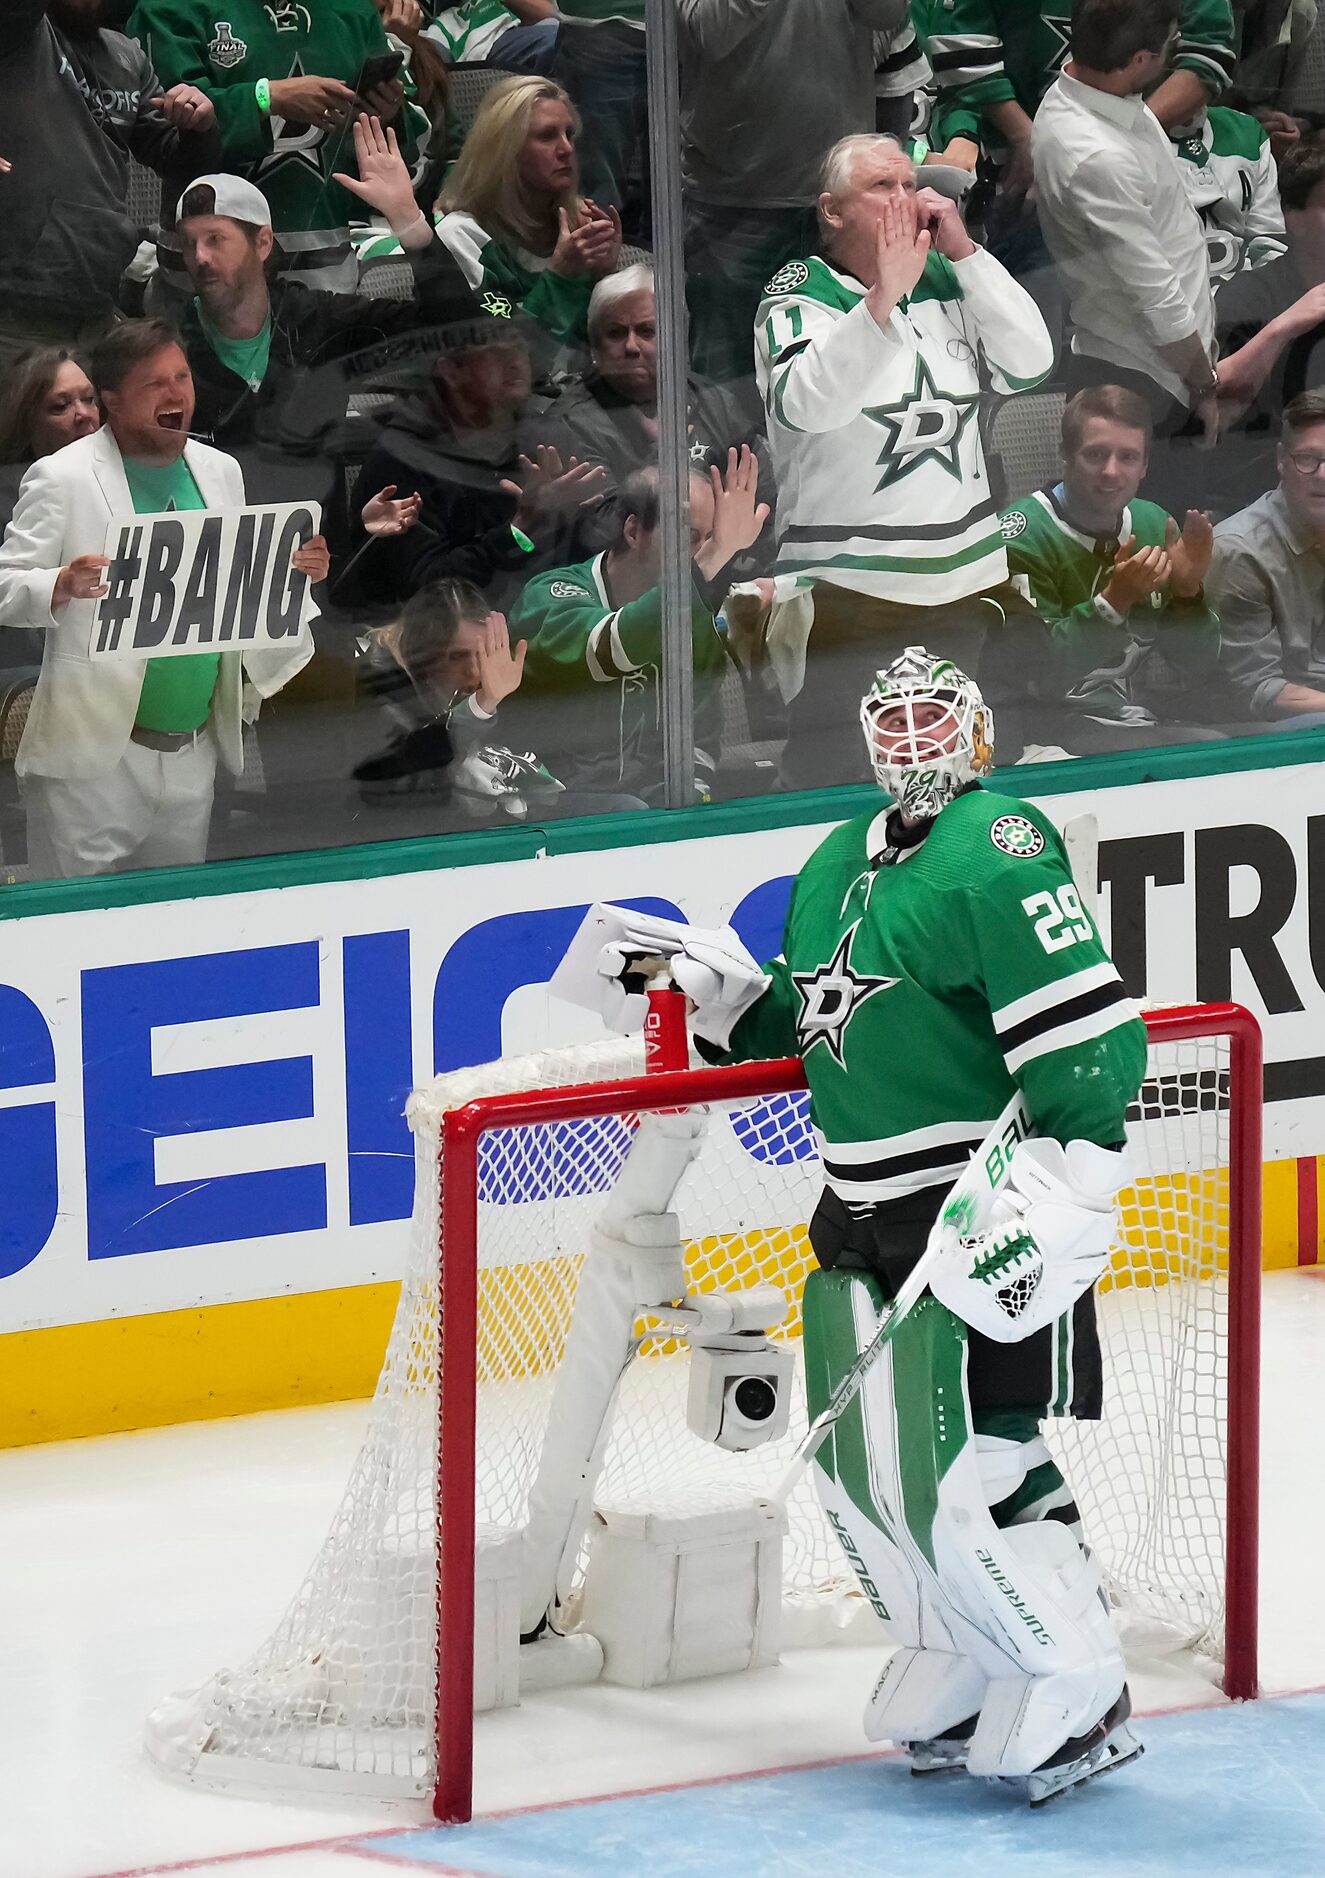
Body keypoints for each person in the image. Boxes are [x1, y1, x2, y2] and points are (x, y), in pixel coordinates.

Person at [579, 644, 1147, 1803]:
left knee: (977, 1449)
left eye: (935, 715)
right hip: (858, 1204)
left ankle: (1076, 1675)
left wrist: (1071, 1171)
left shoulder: (998, 848)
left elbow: (1083, 1029)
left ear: (977, 729)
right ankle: (962, 1650)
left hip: (977, 1201)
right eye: (889, 720)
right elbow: (817, 1020)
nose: (910, 739)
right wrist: (726, 998)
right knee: (858, 1465)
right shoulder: (838, 856)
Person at [753, 132, 1053, 788]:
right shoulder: (799, 291)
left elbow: (1030, 364)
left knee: (952, 776)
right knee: (839, 777)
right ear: (832, 211)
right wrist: (880, 301)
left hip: (959, 585)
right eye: (881, 187)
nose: (906, 198)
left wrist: (967, 254)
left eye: (909, 184)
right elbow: (807, 404)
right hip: (848, 591)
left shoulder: (951, 277)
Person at [0, 319, 325, 877]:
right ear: (113, 404)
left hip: (192, 749)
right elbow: (5, 585)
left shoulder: (221, 471)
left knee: (172, 926)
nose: (177, 393)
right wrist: (59, 583)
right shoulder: (60, 477)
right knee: (75, 933)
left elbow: (233, 587)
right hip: (96, 758)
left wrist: (294, 573)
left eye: (182, 377)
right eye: (155, 384)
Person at [173, 118, 478, 509]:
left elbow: (458, 330)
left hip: (319, 556)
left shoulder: (318, 321)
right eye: (189, 243)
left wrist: (408, 220)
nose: (199, 257)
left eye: (216, 240)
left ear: (263, 242)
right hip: (221, 558)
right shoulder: (169, 347)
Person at [507, 452, 767, 806]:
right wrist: (717, 553)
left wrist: (689, 796)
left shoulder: (693, 616)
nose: (702, 550)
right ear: (632, 531)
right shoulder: (550, 595)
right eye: (689, 533)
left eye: (711, 537)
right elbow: (612, 648)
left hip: (645, 806)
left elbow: (699, 734)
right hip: (541, 805)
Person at [676, 0, 910, 389]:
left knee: (849, 377)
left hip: (841, 201)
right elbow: (709, 32)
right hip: (734, 205)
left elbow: (885, 13)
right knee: (726, 395)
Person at [1032, 0, 1219, 471]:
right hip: (1143, 381)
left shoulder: (1093, 98)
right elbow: (1157, 301)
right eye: (1170, 46)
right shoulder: (1096, 156)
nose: (1174, 55)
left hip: (1165, 367)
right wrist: (1203, 386)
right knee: (1144, 539)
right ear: (1140, 60)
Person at [127, 0, 417, 294]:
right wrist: (266, 98)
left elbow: (409, 153)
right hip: (203, 277)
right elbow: (168, 131)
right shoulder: (168, 8)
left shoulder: (354, 11)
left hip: (327, 269)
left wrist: (387, 114)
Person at [332, 305, 605, 612]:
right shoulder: (402, 458)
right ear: (451, 370)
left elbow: (599, 549)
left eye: (518, 346)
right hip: (441, 640)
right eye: (494, 350)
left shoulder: (547, 434)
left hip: (554, 616)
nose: (514, 360)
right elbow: (428, 593)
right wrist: (522, 529)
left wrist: (584, 521)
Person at [1001, 385, 1224, 752]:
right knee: (1210, 749)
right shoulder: (1021, 539)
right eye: (1096, 455)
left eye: (1128, 457)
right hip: (1049, 733)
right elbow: (1037, 678)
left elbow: (1199, 667)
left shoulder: (1153, 523)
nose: (1111, 471)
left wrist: (1188, 595)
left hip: (1141, 719)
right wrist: (1112, 604)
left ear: (1145, 466)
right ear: (1065, 455)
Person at [0, 0, 219, 371]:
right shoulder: (16, 31)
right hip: (13, 316)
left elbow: (177, 161)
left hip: (96, 310)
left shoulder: (126, 55)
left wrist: (200, 127)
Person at [539, 264, 770, 559]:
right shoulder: (569, 422)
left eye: (648, 331)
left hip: (731, 570)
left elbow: (765, 498)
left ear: (676, 337)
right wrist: (663, 451)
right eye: (615, 333)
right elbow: (608, 533)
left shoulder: (713, 401)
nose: (632, 346)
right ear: (594, 346)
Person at [352, 575, 565, 825]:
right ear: (421, 652)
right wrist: (480, 708)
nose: (475, 671)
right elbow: (405, 781)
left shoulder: (486, 675)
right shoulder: (379, 686)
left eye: (483, 653)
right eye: (457, 656)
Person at [435, 75, 621, 349]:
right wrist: (560, 277)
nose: (567, 149)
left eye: (569, 134)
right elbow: (504, 354)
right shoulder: (461, 237)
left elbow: (605, 351)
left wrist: (605, 279)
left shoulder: (579, 227)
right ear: (504, 150)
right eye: (547, 136)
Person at [1207, 391, 1325, 727]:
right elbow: (1257, 691)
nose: (1322, 475)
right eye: (1307, 459)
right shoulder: (1240, 551)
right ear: (1281, 460)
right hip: (1270, 724)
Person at [0, 349, 101, 537]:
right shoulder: (7, 498)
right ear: (26, 421)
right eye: (61, 406)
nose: (84, 414)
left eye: (89, 399)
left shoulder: (126, 472)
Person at [423, 0, 558, 74]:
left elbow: (550, 16)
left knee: (562, 38)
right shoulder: (449, 19)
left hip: (528, 34)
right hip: (481, 52)